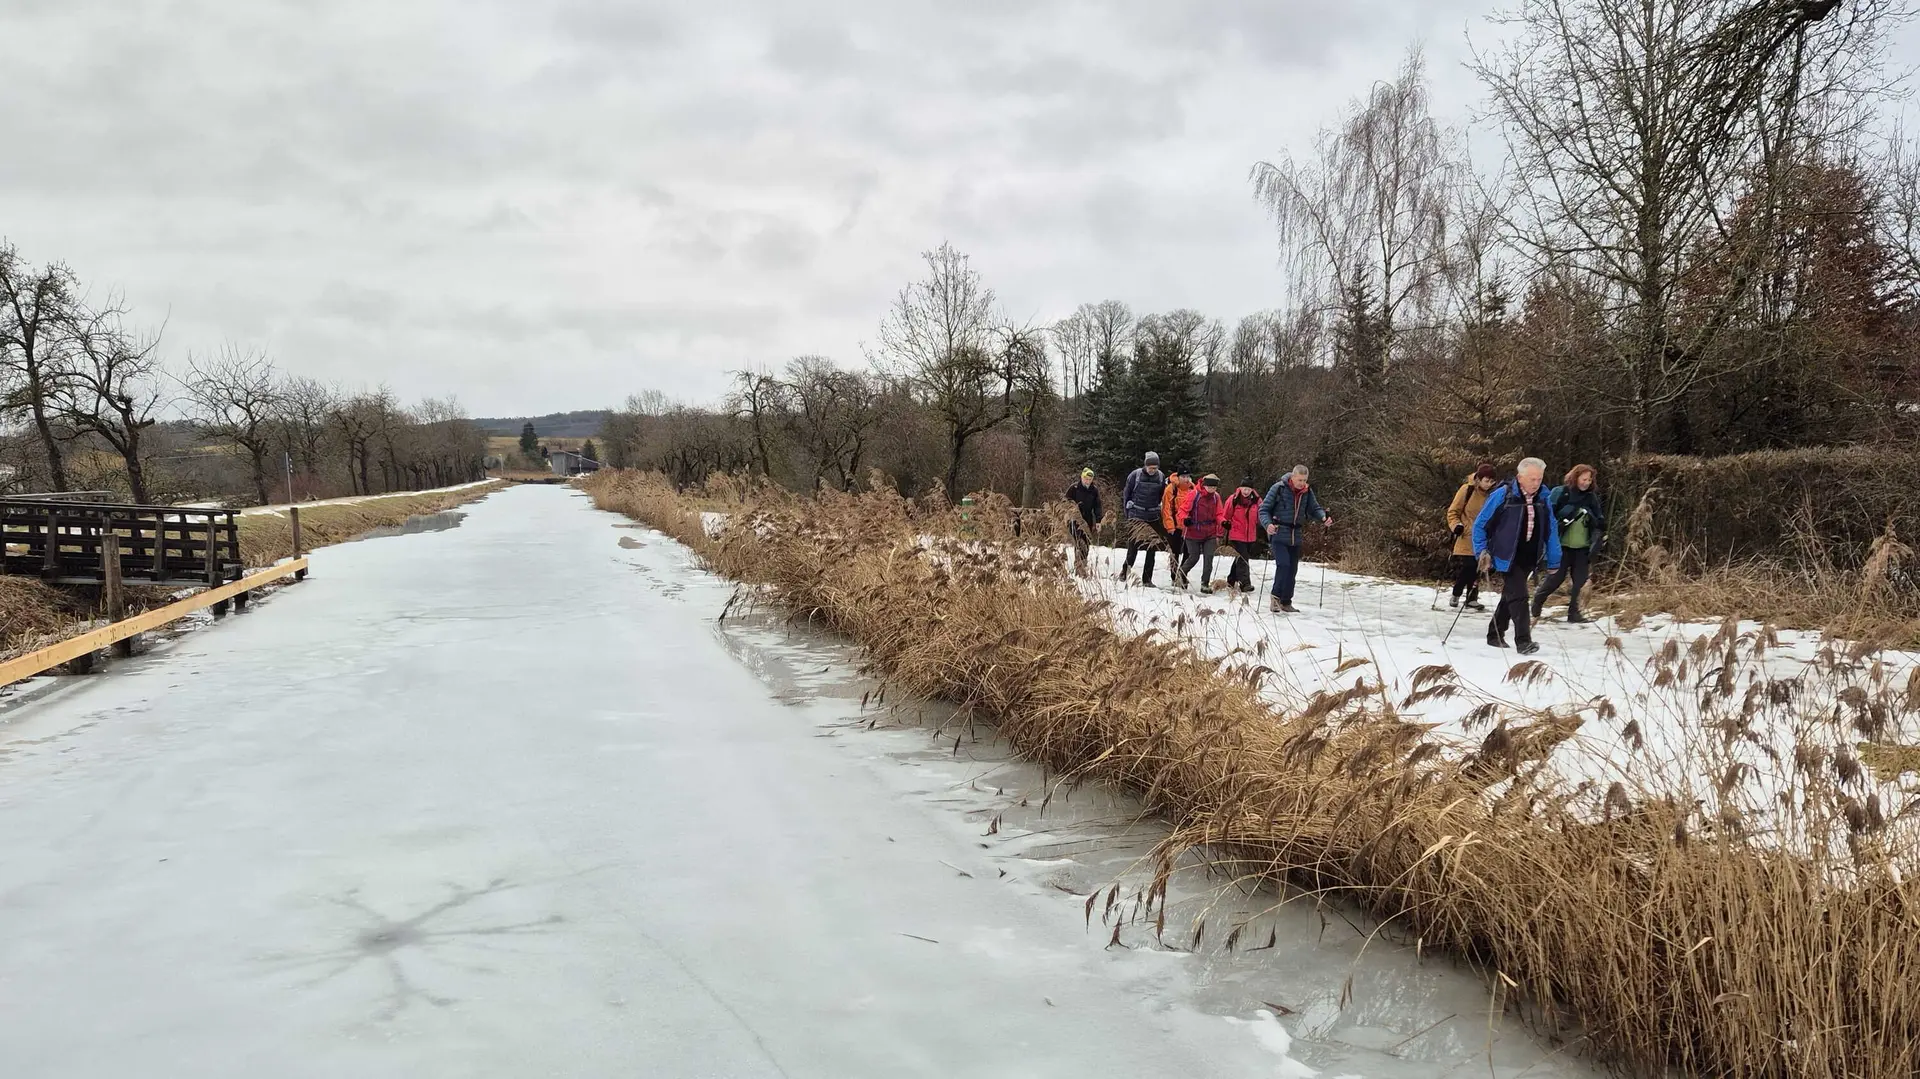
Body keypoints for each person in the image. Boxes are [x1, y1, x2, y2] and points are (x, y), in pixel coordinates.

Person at [1472, 457, 1561, 656]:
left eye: (1539, 479)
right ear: (1520, 478)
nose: (1536, 483)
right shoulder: (1503, 495)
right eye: (1532, 479)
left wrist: (1554, 558)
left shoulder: (1543, 497)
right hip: (1505, 555)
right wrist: (1482, 551)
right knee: (1520, 595)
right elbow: (1480, 525)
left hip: (1529, 556)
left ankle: (1494, 633)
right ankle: (1523, 641)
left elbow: (1551, 529)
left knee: (1510, 594)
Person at [1533, 464, 1605, 624]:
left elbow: (1599, 520)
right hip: (1561, 546)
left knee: (1580, 582)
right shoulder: (1561, 492)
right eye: (1584, 479)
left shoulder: (1591, 498)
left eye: (1589, 480)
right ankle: (1538, 599)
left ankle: (1574, 613)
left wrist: (1595, 526)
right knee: (1555, 579)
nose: (1586, 483)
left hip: (1583, 547)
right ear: (1575, 477)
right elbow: (1548, 515)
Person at [1259, 464, 1332, 614]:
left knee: (1292, 569)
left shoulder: (1307, 492)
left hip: (1296, 535)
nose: (1302, 483)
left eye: (1305, 480)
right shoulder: (1278, 488)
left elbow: (1314, 508)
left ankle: (1286, 601)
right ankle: (1275, 598)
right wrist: (1268, 525)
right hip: (1279, 532)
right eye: (1299, 480)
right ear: (1292, 477)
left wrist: (1323, 517)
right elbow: (1264, 509)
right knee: (1283, 565)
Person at [1445, 463, 1498, 611]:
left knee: (1479, 567)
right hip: (1467, 535)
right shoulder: (1467, 490)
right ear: (1478, 479)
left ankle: (1471, 598)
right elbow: (1453, 512)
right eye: (1486, 481)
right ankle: (1457, 592)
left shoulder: (1494, 494)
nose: (1489, 484)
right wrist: (1457, 526)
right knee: (1469, 566)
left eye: (1492, 481)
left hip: (1484, 537)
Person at [1118, 452, 1171, 586]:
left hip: (1153, 516)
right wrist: (1128, 513)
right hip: (1137, 515)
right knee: (1133, 547)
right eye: (1150, 467)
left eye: (1155, 468)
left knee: (1152, 548)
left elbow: (1162, 495)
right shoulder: (1135, 475)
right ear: (1145, 466)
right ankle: (1125, 571)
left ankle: (1147, 579)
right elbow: (1127, 494)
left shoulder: (1160, 477)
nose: (1153, 470)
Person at [1180, 474, 1227, 593]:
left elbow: (1219, 514)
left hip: (1210, 532)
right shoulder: (1194, 494)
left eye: (1214, 488)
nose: (1212, 490)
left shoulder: (1216, 497)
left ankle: (1205, 584)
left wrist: (1223, 522)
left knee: (1209, 558)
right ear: (1204, 485)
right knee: (1194, 557)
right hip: (1193, 531)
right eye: (1210, 487)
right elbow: (1183, 510)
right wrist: (1185, 519)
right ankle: (1181, 574)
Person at [1223, 476, 1263, 594]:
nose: (1246, 491)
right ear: (1240, 488)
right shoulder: (1233, 499)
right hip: (1236, 533)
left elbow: (1261, 515)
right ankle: (1245, 583)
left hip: (1250, 535)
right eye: (1244, 489)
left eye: (1248, 489)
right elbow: (1226, 515)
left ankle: (1231, 579)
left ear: (1252, 490)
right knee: (1243, 558)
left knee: (1240, 558)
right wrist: (1224, 525)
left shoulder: (1257, 501)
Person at [1160, 466, 1196, 589]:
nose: (1186, 479)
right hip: (1175, 527)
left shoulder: (1193, 488)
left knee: (1188, 552)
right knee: (1175, 552)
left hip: (1188, 527)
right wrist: (1170, 526)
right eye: (1183, 477)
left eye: (1188, 476)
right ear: (1178, 477)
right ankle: (1174, 575)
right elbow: (1166, 509)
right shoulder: (1171, 489)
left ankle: (1183, 574)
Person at [1065, 468, 1103, 578]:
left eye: (1090, 479)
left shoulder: (1094, 490)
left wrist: (1098, 521)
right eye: (1086, 479)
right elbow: (1066, 501)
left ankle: (1083, 562)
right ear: (1081, 477)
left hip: (1088, 519)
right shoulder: (1074, 488)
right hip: (1075, 518)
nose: (1087, 481)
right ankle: (1078, 565)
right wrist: (1071, 510)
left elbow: (1097, 506)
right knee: (1078, 541)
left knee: (1086, 541)